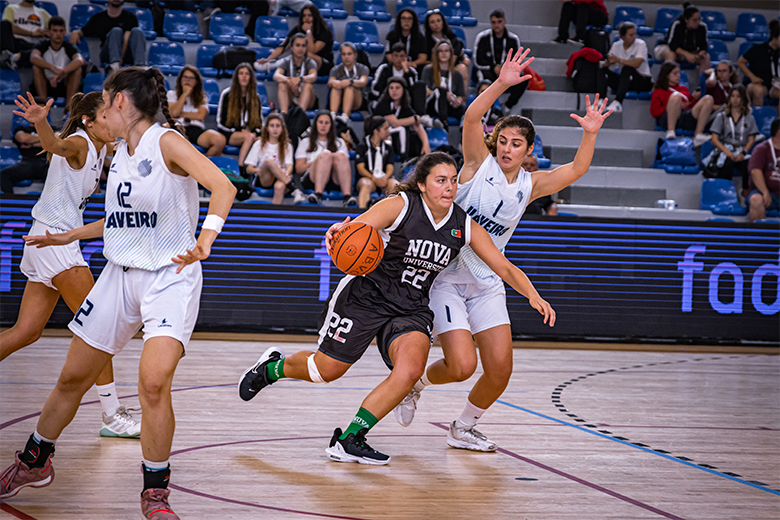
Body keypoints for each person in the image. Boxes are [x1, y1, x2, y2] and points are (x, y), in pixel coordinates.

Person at [0, 67, 236, 519]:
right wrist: (68, 237)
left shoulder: (166, 141)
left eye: (105, 101)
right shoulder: (119, 153)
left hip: (169, 276)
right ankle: (34, 461)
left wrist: (207, 238)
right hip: (119, 275)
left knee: (152, 382)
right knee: (72, 378)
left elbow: (223, 186)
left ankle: (155, 492)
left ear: (122, 102)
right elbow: (122, 219)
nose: (101, 109)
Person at [237, 151, 555, 465]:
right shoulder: (400, 206)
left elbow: (505, 267)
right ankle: (271, 368)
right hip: (366, 297)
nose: (449, 187)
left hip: (411, 307)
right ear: (422, 185)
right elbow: (353, 231)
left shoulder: (463, 224)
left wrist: (532, 295)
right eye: (440, 180)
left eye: (453, 181)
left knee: (411, 369)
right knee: (324, 371)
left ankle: (350, 439)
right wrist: (337, 232)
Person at [393, 49, 610, 452]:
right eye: (504, 141)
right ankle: (414, 383)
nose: (508, 148)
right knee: (461, 365)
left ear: (528, 151)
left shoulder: (531, 185)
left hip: (488, 280)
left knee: (500, 370)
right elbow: (472, 118)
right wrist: (502, 83)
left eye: (517, 144)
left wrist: (591, 133)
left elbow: (576, 170)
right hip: (445, 277)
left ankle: (462, 428)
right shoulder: (477, 164)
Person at [0, 91, 142, 439]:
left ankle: (112, 414)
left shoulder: (104, 145)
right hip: (54, 242)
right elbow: (55, 146)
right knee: (99, 327)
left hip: (45, 241)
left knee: (26, 331)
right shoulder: (78, 142)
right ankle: (112, 415)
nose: (113, 122)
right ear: (88, 122)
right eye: (106, 117)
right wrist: (41, 123)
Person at [254, 3, 334, 76]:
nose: (306, 18)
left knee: (304, 53)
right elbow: (283, 46)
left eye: (309, 15)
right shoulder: (298, 29)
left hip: (323, 64)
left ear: (315, 17)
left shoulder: (324, 31)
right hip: (302, 63)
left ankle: (277, 64)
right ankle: (271, 64)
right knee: (298, 51)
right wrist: (269, 59)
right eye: (304, 16)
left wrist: (308, 32)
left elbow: (312, 50)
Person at [295, 111, 354, 206]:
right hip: (312, 178)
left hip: (334, 178)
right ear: (315, 124)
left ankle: (347, 196)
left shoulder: (339, 142)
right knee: (325, 156)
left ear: (331, 125)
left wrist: (332, 159)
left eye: (326, 123)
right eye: (320, 122)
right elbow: (299, 168)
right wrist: (318, 161)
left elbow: (345, 167)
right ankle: (318, 193)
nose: (323, 126)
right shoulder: (306, 142)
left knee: (340, 156)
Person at [70, 0, 146, 72]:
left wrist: (121, 57)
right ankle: (114, 65)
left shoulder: (130, 17)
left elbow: (126, 39)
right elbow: (84, 31)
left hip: (125, 52)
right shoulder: (99, 18)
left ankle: (140, 67)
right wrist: (76, 32)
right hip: (107, 54)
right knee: (116, 30)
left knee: (137, 31)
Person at [650, 62, 714, 147]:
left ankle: (698, 134)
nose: (678, 75)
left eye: (679, 73)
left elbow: (691, 107)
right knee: (676, 97)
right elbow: (654, 112)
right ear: (666, 75)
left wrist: (695, 99)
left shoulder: (683, 89)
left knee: (708, 99)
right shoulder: (658, 91)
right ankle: (671, 131)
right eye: (675, 73)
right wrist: (671, 106)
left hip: (685, 116)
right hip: (668, 118)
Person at [168, 65, 226, 157]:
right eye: (185, 77)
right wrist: (185, 94)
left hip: (195, 128)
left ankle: (203, 166)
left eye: (191, 78)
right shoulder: (172, 94)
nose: (187, 80)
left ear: (196, 81)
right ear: (180, 79)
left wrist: (180, 114)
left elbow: (201, 116)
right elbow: (173, 113)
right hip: (177, 128)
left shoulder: (202, 97)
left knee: (219, 140)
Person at [30, 17, 85, 114]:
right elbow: (34, 57)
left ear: (65, 32)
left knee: (77, 70)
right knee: (36, 67)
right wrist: (53, 68)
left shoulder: (68, 47)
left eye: (61, 31)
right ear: (49, 32)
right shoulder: (43, 44)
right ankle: (43, 103)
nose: (58, 34)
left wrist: (62, 72)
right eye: (55, 31)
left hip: (64, 83)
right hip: (46, 82)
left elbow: (80, 60)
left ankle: (68, 108)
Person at [474, 10, 526, 112]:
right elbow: (478, 60)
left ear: (504, 22)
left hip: (506, 73)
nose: (496, 25)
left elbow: (516, 60)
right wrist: (494, 67)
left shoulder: (513, 39)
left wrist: (504, 68)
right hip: (488, 71)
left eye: (499, 21)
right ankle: (485, 109)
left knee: (523, 80)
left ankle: (507, 107)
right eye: (493, 22)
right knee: (483, 79)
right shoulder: (482, 37)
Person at [597, 22, 652, 113]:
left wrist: (618, 59)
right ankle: (601, 100)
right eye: (631, 35)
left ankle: (618, 102)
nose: (634, 37)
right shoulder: (616, 45)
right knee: (603, 70)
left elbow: (636, 64)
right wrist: (608, 63)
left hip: (642, 80)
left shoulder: (641, 44)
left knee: (627, 69)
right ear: (622, 37)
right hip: (625, 80)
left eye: (635, 34)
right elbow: (610, 61)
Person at [217, 63, 264, 169]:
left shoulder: (255, 98)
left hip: (249, 134)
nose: (244, 76)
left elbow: (260, 123)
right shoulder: (227, 94)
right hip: (229, 133)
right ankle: (241, 168)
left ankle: (254, 173)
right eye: (241, 73)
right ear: (236, 76)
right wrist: (238, 130)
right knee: (249, 137)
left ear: (251, 78)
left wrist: (256, 132)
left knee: (260, 141)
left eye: (247, 74)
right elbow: (220, 122)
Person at [706, 85, 758, 180]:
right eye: (732, 96)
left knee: (751, 166)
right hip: (726, 150)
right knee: (727, 164)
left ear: (743, 99)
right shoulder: (721, 117)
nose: (735, 99)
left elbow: (751, 139)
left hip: (741, 151)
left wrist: (743, 153)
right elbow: (714, 139)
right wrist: (727, 151)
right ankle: (725, 191)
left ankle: (746, 192)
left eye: (738, 96)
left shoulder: (750, 118)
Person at [373, 77, 431, 160]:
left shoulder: (405, 106)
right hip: (383, 138)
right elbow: (395, 123)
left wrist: (426, 144)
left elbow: (418, 126)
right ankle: (404, 158)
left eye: (397, 88)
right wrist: (415, 118)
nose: (394, 91)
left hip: (397, 140)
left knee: (416, 142)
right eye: (391, 88)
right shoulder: (383, 104)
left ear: (403, 90)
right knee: (402, 129)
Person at [246, 113, 294, 205]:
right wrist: (256, 170)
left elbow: (289, 166)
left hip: (280, 177)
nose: (275, 129)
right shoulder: (259, 144)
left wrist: (286, 173)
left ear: (282, 128)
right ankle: (293, 188)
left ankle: (275, 217)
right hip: (265, 178)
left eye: (278, 126)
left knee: (280, 187)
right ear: (267, 128)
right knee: (269, 162)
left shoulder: (287, 146)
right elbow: (248, 169)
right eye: (272, 126)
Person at [654, 2, 710, 72]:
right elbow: (672, 45)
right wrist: (687, 54)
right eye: (694, 20)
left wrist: (700, 54)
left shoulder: (702, 27)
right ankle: (666, 80)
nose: (698, 22)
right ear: (686, 19)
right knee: (671, 54)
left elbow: (704, 46)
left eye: (699, 19)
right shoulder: (677, 24)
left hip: (690, 51)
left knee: (706, 57)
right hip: (669, 49)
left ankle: (704, 81)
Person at [0, 112, 48, 194]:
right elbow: (22, 139)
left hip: (46, 162)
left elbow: (57, 141)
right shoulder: (21, 129)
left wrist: (31, 143)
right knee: (4, 175)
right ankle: (10, 202)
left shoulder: (51, 129)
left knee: (62, 175)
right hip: (28, 162)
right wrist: (45, 139)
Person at [422, 40, 466, 128]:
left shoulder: (457, 74)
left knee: (466, 109)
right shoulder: (428, 70)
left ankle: (464, 133)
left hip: (449, 104)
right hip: (432, 104)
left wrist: (457, 101)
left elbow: (460, 95)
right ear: (436, 53)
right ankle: (443, 123)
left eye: (446, 51)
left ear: (451, 53)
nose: (443, 53)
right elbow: (425, 91)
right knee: (440, 91)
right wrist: (444, 95)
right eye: (441, 51)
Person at [355, 116, 397, 208]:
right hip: (368, 178)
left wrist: (385, 177)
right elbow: (360, 169)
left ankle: (393, 215)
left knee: (395, 185)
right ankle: (362, 216)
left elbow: (390, 166)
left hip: (383, 179)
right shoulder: (362, 146)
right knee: (365, 184)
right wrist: (373, 178)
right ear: (376, 131)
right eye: (385, 128)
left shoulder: (388, 148)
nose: (388, 131)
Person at [737, 23, 780, 108]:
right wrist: (752, 77)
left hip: (774, 85)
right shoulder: (758, 49)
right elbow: (740, 62)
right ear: (775, 37)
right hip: (757, 84)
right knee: (758, 90)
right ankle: (757, 117)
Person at [273, 33, 318, 114]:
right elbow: (276, 75)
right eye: (298, 45)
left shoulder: (310, 62)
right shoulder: (285, 61)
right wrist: (290, 81)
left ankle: (300, 115)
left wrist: (299, 79)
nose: (300, 48)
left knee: (307, 85)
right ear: (292, 47)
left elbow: (313, 76)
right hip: (291, 94)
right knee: (282, 84)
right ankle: (284, 114)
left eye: (303, 45)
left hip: (307, 98)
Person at [0, 0, 50, 70]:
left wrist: (47, 33)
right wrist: (31, 33)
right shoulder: (11, 8)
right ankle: (8, 56)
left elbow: (56, 29)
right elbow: (10, 28)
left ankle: (15, 58)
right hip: (15, 43)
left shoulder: (42, 12)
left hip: (33, 45)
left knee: (48, 46)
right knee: (4, 24)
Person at [747, 118, 780, 223]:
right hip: (767, 193)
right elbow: (755, 172)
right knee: (756, 199)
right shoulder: (761, 149)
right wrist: (765, 192)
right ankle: (758, 237)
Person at [423, 9, 470, 82]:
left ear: (443, 22)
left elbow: (461, 53)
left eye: (438, 21)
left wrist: (465, 58)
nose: (436, 24)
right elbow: (424, 60)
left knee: (462, 68)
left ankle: (461, 93)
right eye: (432, 22)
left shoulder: (453, 39)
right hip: (435, 68)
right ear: (428, 25)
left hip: (453, 67)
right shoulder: (425, 41)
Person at [328, 42, 369, 123]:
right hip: (340, 100)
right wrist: (337, 83)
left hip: (357, 101)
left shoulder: (363, 68)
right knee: (336, 86)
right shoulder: (335, 69)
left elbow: (363, 82)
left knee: (349, 86)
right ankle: (332, 114)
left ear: (355, 55)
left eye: (349, 54)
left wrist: (350, 81)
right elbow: (330, 82)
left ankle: (345, 115)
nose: (346, 57)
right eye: (344, 54)